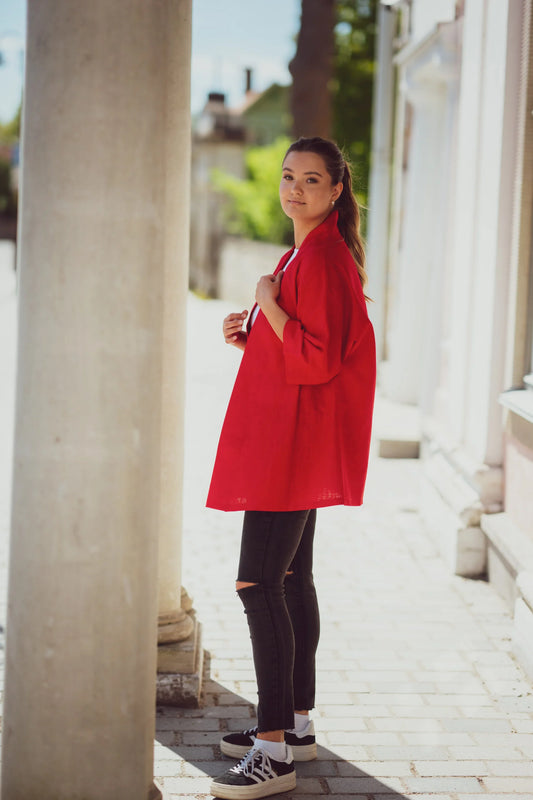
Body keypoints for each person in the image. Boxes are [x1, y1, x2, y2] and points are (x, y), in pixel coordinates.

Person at [207, 136, 376, 800]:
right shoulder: (305, 253)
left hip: (289, 446)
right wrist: (253, 332)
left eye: (310, 179)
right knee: (290, 578)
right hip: (292, 437)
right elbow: (303, 345)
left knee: (257, 584)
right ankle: (295, 726)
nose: (294, 189)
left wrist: (267, 302)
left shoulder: (324, 258)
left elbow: (318, 359)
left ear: (336, 189)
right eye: (287, 177)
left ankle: (273, 753)